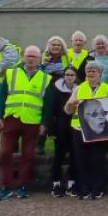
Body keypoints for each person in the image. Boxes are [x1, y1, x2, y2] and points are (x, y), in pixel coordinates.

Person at [0, 46, 51, 200]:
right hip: (12, 118)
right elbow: (1, 97)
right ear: (23, 57)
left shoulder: (46, 78)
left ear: (39, 59)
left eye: (34, 56)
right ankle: (6, 185)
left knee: (28, 155)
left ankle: (22, 185)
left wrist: (44, 123)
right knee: (5, 152)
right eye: (28, 55)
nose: (31, 59)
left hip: (32, 120)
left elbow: (48, 104)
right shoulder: (11, 73)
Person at [67, 61, 108, 199]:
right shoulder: (78, 88)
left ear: (100, 73)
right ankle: (84, 189)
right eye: (88, 71)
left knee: (97, 159)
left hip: (99, 130)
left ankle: (98, 188)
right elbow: (68, 110)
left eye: (94, 70)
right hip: (79, 129)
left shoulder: (107, 88)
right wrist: (71, 104)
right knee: (81, 160)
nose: (91, 73)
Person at [43, 64, 79, 197]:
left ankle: (72, 183)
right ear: (64, 76)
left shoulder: (79, 89)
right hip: (60, 127)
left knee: (74, 156)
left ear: (76, 77)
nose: (69, 77)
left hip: (75, 127)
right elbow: (51, 109)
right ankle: (56, 183)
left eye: (72, 75)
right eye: (67, 74)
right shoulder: (55, 89)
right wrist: (51, 129)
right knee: (59, 156)